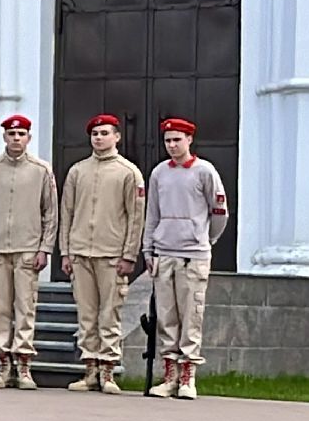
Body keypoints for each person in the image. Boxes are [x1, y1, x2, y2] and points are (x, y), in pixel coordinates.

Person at [58, 114, 146, 394]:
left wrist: (129, 254)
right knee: (86, 314)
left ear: (117, 137)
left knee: (110, 313)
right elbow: (67, 212)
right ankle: (90, 369)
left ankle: (108, 369)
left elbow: (135, 217)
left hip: (111, 253)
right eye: (95, 133)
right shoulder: (77, 171)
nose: (99, 138)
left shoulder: (128, 172)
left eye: (105, 133)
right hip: (81, 251)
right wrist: (66, 251)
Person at [142, 118, 228, 401]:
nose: (172, 145)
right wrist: (149, 249)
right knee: (167, 317)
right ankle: (169, 374)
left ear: (189, 140)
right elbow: (152, 213)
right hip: (165, 251)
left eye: (177, 140)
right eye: (168, 140)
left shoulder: (204, 171)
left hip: (193, 254)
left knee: (191, 315)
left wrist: (205, 239)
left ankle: (188, 375)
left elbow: (219, 212)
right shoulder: (159, 173)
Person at [0, 115, 58, 390]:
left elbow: (50, 213)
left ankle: (23, 364)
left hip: (27, 247)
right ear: (4, 137)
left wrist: (45, 247)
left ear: (29, 138)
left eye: (21, 134)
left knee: (25, 306)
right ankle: (3, 363)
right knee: (0, 307)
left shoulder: (41, 170)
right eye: (12, 134)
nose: (16, 139)